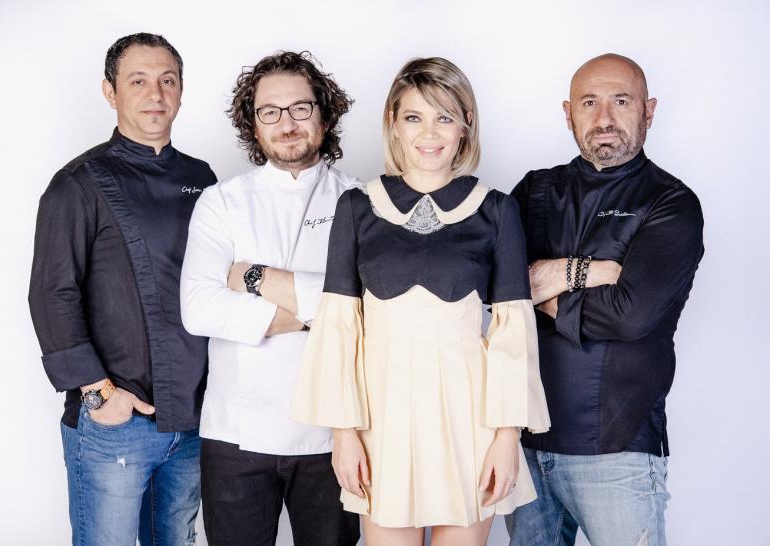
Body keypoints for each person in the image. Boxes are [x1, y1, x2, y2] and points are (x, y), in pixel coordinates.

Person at [291, 57, 551, 546]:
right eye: (414, 117)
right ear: (393, 122)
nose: (429, 133)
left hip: (470, 421)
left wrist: (506, 436)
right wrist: (344, 434)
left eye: (444, 117)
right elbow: (339, 326)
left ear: (465, 125)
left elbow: (513, 331)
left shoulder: (497, 209)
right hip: (381, 421)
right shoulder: (357, 207)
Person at [505, 54, 704, 546]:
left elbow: (629, 314)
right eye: (589, 103)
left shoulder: (671, 203)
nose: (605, 118)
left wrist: (542, 283)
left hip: (618, 449)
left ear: (649, 110)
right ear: (568, 113)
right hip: (522, 445)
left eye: (622, 101)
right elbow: (497, 290)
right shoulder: (534, 190)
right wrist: (586, 272)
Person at [28, 33, 216, 546]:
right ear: (110, 92)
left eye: (167, 80)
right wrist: (100, 394)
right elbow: (52, 293)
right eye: (138, 81)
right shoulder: (78, 183)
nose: (156, 94)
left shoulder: (202, 177)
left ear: (181, 91)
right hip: (116, 424)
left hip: (192, 420)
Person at [180, 51, 361, 546]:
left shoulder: (362, 201)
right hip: (235, 435)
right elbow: (199, 308)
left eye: (301, 108)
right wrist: (324, 309)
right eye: (270, 112)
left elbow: (370, 307)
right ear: (253, 124)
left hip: (334, 434)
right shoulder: (221, 201)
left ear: (325, 115)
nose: (287, 123)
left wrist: (253, 277)